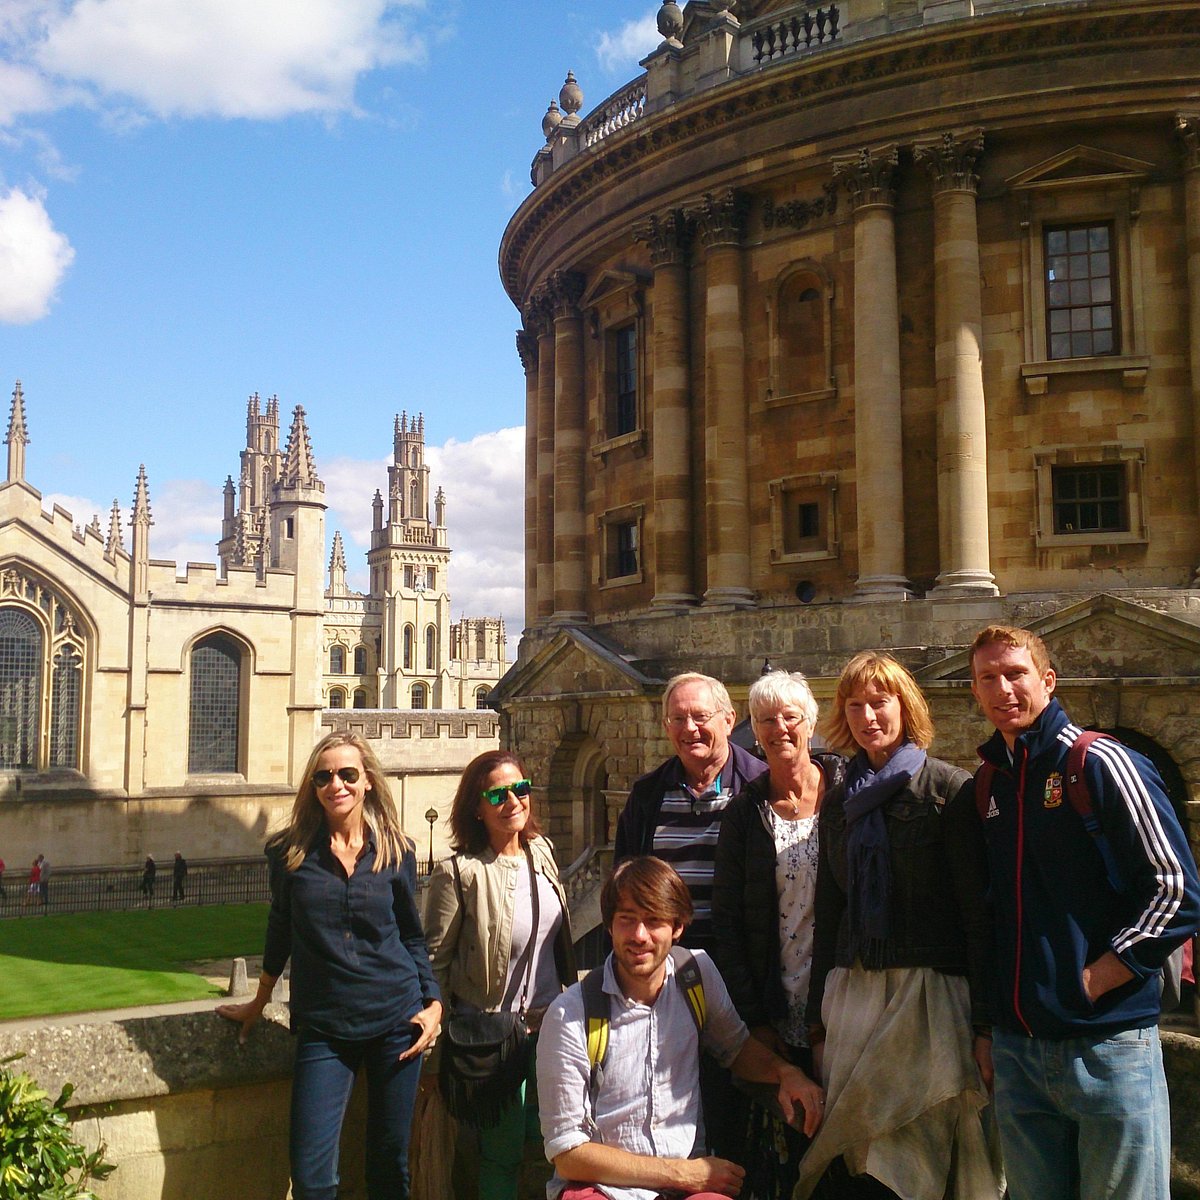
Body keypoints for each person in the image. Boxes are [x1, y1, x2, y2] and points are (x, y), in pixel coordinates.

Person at [968, 624, 1200, 1200]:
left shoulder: (1099, 762)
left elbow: (1177, 891)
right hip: (1019, 1052)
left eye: (1016, 674)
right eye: (987, 679)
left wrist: (1093, 981)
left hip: (1108, 1047)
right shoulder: (990, 782)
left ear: (1048, 680)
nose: (1003, 689)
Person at [797, 651, 999, 1200]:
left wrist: (984, 1027)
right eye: (854, 705)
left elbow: (976, 914)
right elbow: (830, 911)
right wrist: (818, 1025)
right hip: (856, 992)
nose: (867, 717)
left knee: (924, 1157)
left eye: (878, 702)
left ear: (904, 707)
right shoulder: (840, 802)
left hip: (929, 996)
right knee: (862, 1157)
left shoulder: (949, 790)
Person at [217, 730, 442, 1200]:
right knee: (314, 1177)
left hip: (396, 1020)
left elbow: (411, 936)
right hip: (324, 1025)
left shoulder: (396, 852)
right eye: (323, 777)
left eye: (346, 774)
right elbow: (280, 931)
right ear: (312, 787)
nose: (334, 784)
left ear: (368, 784)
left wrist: (433, 1003)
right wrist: (259, 999)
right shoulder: (289, 854)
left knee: (388, 1167)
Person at [537, 856, 825, 1200]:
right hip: (602, 1186)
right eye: (627, 920)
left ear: (678, 927)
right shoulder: (570, 1014)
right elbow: (567, 1154)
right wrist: (683, 1173)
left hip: (688, 1186)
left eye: (654, 921)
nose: (639, 936)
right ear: (610, 926)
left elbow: (736, 1048)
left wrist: (784, 1072)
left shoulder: (696, 974)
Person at [614, 671, 766, 1160]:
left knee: (738, 1103)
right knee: (668, 1100)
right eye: (678, 718)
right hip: (667, 975)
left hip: (741, 971)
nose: (690, 728)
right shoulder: (648, 795)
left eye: (701, 717)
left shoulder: (758, 788)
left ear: (730, 719)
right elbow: (625, 887)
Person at [712, 670, 846, 1199]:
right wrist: (757, 1021)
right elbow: (728, 923)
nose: (779, 729)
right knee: (785, 1150)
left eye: (790, 717)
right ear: (754, 730)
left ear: (810, 723)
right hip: (773, 1007)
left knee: (843, 1148)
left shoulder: (846, 798)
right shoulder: (745, 813)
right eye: (766, 720)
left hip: (839, 1007)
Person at [423, 750, 576, 1200]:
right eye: (497, 793)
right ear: (477, 807)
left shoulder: (543, 852)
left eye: (520, 789)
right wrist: (433, 1056)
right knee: (502, 1155)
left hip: (552, 1031)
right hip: (493, 1037)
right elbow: (435, 967)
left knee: (556, 1144)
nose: (513, 800)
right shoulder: (458, 874)